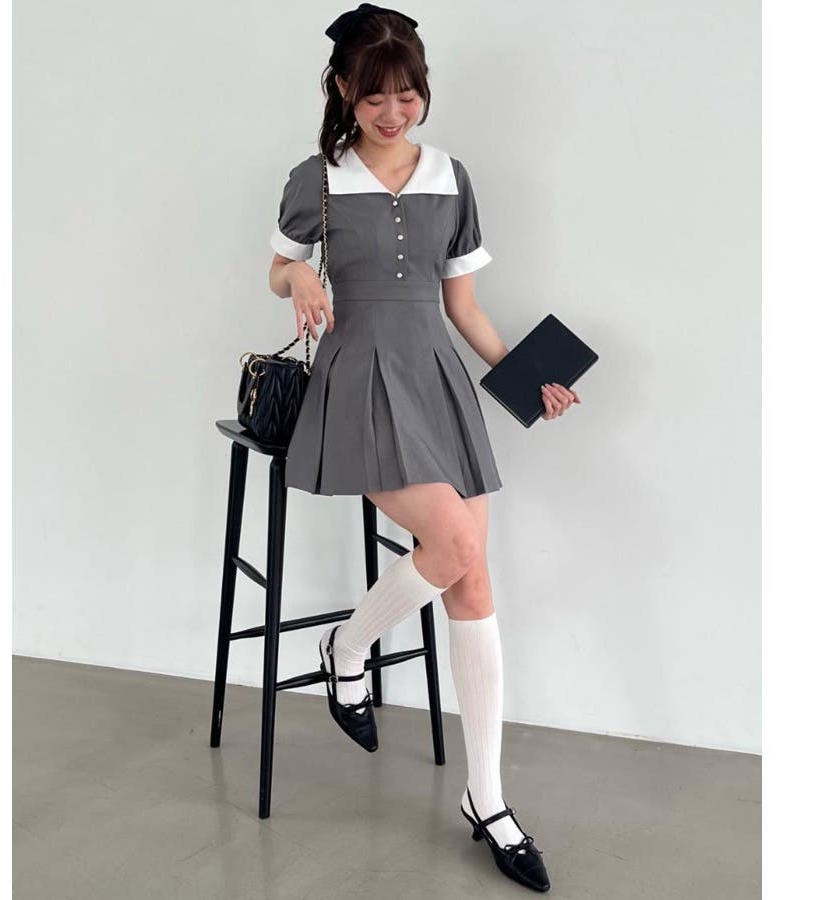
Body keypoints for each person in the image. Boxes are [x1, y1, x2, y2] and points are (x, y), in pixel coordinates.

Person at [267, 4, 579, 893]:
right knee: (454, 547)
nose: (393, 112)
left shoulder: (451, 176)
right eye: (375, 97)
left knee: (470, 575)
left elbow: (463, 308)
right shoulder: (316, 179)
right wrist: (300, 279)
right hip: (359, 378)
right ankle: (347, 648)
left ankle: (486, 798)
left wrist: (527, 380)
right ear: (343, 91)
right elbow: (277, 268)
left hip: (435, 380)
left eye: (407, 95)